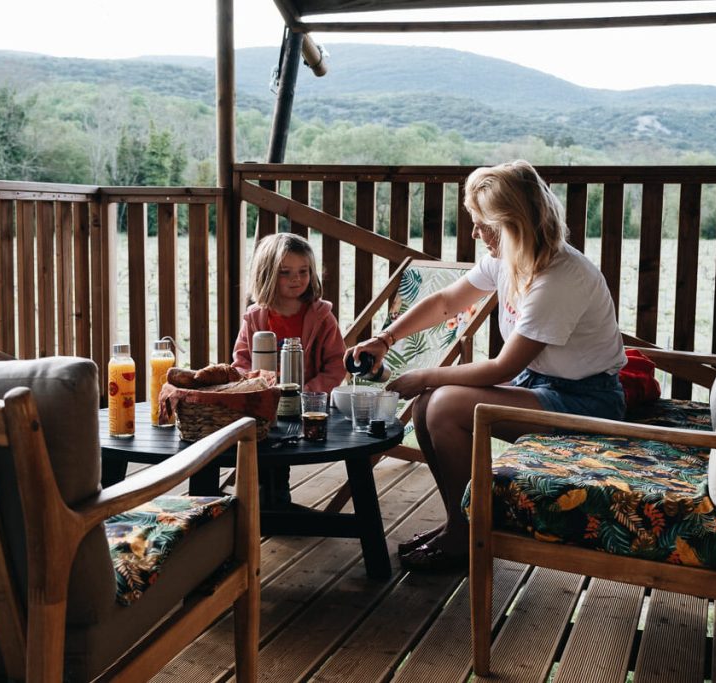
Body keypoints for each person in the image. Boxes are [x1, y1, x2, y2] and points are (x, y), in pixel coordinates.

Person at [345, 160, 626, 571]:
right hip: (542, 385)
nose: (476, 234)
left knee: (443, 405)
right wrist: (385, 339)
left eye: (482, 225)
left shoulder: (561, 277)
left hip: (587, 403)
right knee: (426, 406)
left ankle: (466, 537)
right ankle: (460, 524)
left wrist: (424, 376)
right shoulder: (507, 259)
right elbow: (446, 303)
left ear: (512, 225)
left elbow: (501, 368)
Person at [233, 232, 347, 506]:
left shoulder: (321, 317)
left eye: (303, 271)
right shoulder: (256, 317)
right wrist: (257, 388)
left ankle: (276, 502)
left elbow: (336, 363)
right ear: (267, 274)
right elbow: (242, 360)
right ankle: (263, 500)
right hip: (263, 402)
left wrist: (310, 391)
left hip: (306, 405)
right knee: (260, 441)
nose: (296, 279)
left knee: (282, 446)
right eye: (285, 272)